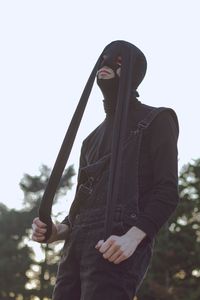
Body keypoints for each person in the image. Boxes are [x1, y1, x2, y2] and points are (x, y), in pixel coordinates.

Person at [31, 40, 179, 300]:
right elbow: (80, 207)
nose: (108, 64)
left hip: (115, 243)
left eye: (119, 61)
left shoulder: (157, 119)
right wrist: (58, 231)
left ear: (134, 73)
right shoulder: (90, 139)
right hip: (74, 249)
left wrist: (133, 238)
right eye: (105, 59)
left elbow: (167, 191)